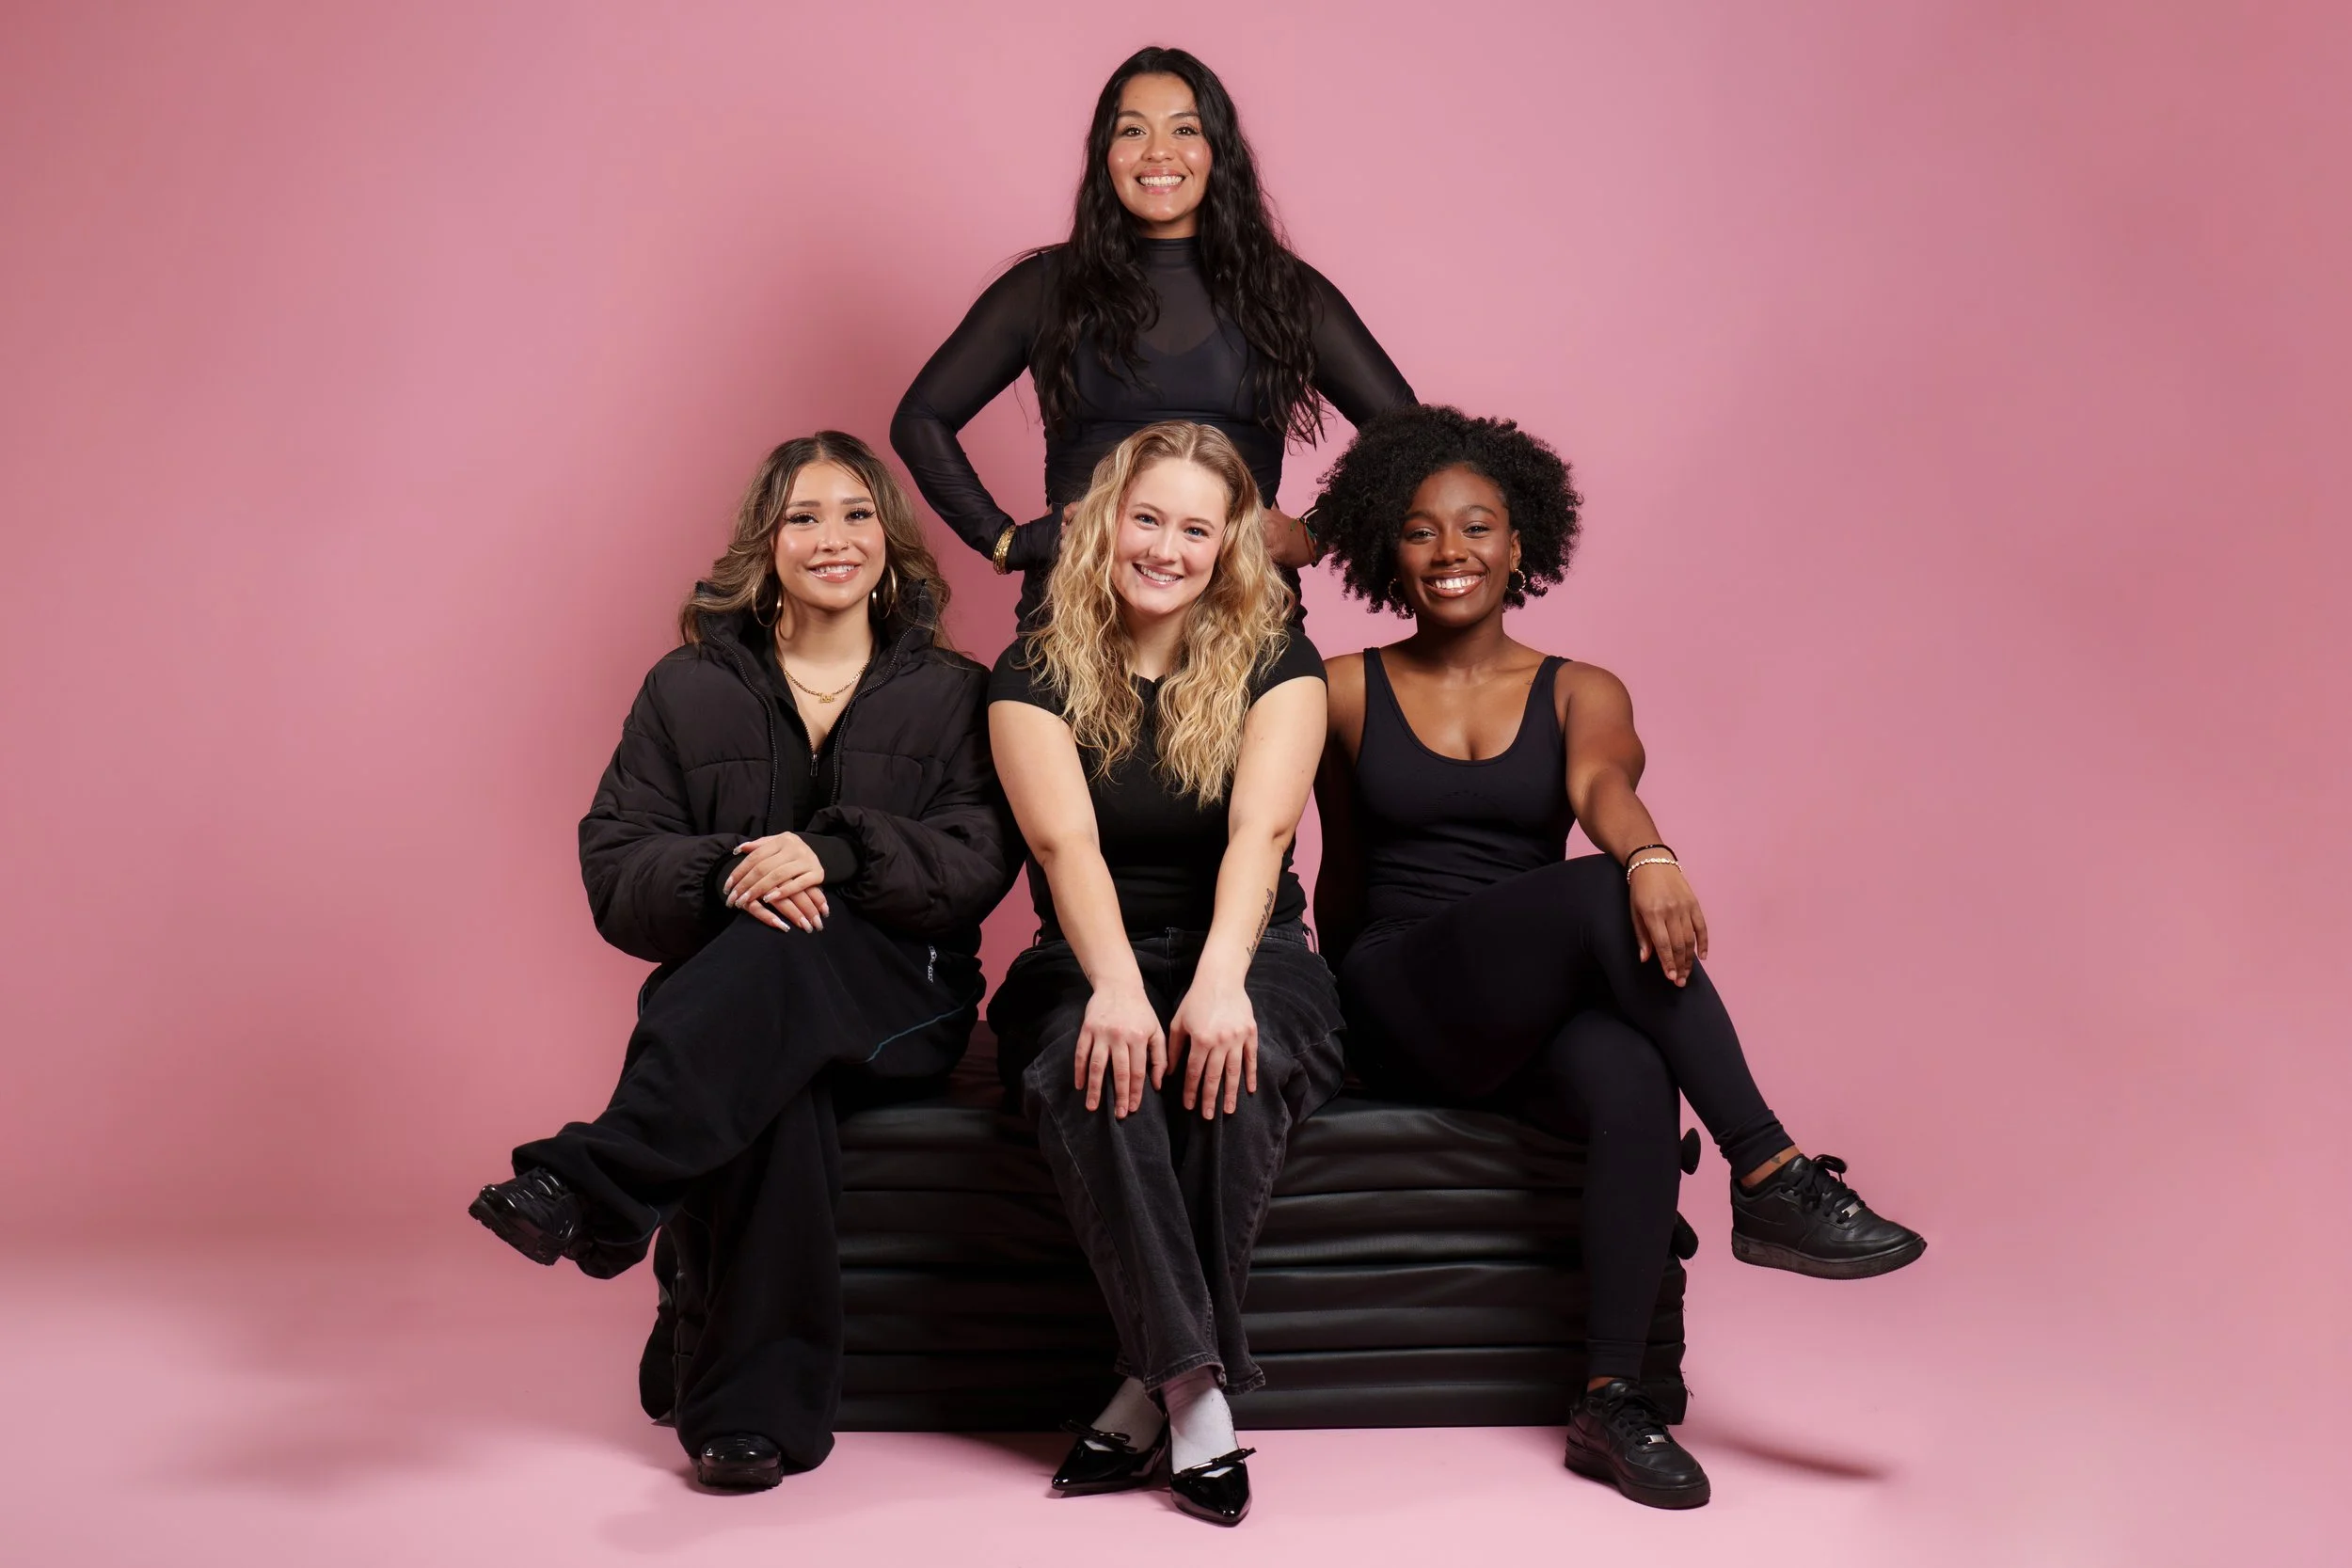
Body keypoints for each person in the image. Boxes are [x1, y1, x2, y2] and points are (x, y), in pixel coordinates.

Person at [1309, 405, 1926, 1512]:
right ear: (1381, 549)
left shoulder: (1582, 688)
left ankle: (1610, 1397)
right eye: (1418, 530)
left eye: (1478, 526)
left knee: (1634, 1074)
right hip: (1396, 995)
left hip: (1521, 1006)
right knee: (1602, 885)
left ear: (1521, 542)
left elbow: (1602, 785)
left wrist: (1644, 850)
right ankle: (1773, 1170)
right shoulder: (1342, 687)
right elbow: (1296, 853)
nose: (1450, 552)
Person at [467, 432, 1017, 1490]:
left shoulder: (956, 689)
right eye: (804, 516)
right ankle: (746, 1420)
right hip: (741, 1012)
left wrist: (839, 850)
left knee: (789, 976)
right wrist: (731, 871)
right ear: (764, 543)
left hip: (904, 998)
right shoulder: (685, 688)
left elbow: (977, 858)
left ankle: (592, 1185)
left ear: (891, 542)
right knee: (776, 1083)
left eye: (856, 513)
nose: (832, 537)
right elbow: (616, 864)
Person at [987, 421, 1343, 1526]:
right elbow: (1064, 849)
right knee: (1101, 1068)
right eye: (1147, 518)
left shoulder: (1278, 656)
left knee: (1233, 1067)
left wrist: (1224, 977)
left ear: (1231, 541)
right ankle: (1197, 1392)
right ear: (1103, 520)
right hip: (1083, 954)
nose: (1166, 548)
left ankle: (1150, 1387)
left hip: (1254, 948)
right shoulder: (1031, 667)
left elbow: (1261, 832)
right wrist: (1118, 987)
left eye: (1196, 527)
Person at [891, 44, 1414, 626]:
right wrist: (1007, 541)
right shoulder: (1042, 288)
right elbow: (920, 419)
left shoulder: (1287, 291)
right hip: (1077, 613)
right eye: (1132, 130)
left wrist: (1312, 535)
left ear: (1217, 150)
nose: (1158, 151)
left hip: (1241, 616)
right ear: (1105, 155)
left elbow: (1410, 435)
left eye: (1184, 128)